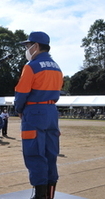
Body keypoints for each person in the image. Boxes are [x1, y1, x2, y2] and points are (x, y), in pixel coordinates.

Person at [15, 31, 63, 199]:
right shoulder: (57, 67)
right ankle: (50, 194)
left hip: (34, 112)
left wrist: (19, 109)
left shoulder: (31, 66)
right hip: (51, 112)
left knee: (34, 153)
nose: (27, 49)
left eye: (28, 46)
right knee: (51, 153)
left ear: (35, 46)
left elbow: (21, 92)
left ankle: (39, 195)